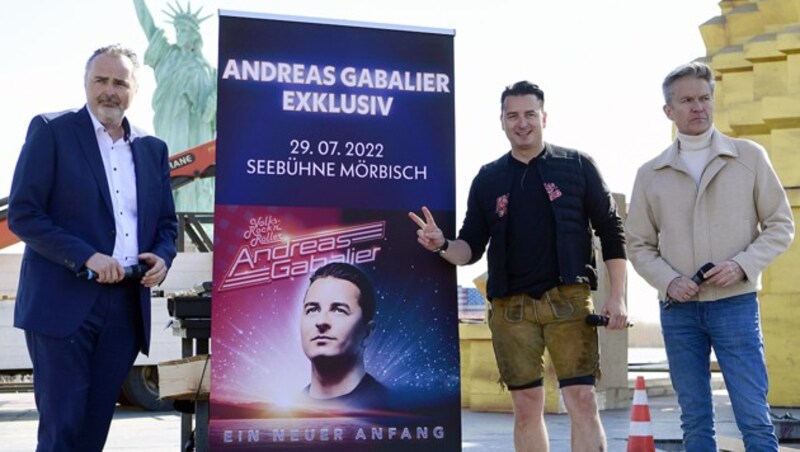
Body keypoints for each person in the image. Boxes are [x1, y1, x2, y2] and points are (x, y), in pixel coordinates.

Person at [409, 81, 628, 452]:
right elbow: (470, 248)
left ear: (544, 117)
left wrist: (618, 298)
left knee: (582, 400)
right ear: (502, 121)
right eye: (513, 115)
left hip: (569, 301)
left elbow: (612, 231)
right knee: (526, 407)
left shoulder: (578, 165)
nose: (522, 123)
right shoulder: (488, 177)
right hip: (511, 309)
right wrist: (442, 244)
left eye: (529, 114)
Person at [8, 44, 178, 452]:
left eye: (120, 82)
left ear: (134, 89)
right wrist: (85, 255)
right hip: (62, 303)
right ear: (86, 83)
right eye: (100, 80)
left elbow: (167, 223)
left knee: (94, 429)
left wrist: (164, 255)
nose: (109, 91)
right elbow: (24, 214)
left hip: (124, 305)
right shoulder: (52, 131)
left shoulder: (153, 150)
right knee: (62, 429)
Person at [626, 61, 794, 451]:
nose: (698, 107)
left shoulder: (749, 157)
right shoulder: (651, 173)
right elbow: (638, 244)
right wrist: (670, 280)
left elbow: (781, 225)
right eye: (687, 100)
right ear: (669, 111)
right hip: (678, 310)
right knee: (695, 420)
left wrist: (742, 265)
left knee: (753, 415)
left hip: (735, 305)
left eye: (705, 98)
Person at [133, 0, 217, 213]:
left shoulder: (208, 69)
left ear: (194, 36)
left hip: (200, 127)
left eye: (185, 30)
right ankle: (171, 218)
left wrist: (213, 103)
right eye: (177, 29)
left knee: (201, 171)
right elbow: (147, 24)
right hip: (172, 119)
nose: (180, 33)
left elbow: (224, 102)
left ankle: (200, 218)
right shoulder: (166, 55)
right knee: (174, 166)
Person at [297, 262, 389, 412]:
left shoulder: (392, 411)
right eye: (312, 309)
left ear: (367, 332)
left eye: (339, 310)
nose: (321, 322)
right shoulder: (286, 414)